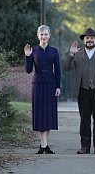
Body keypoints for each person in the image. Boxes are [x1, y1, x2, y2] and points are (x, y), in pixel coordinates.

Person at [24, 25, 61, 154]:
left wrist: (58, 86)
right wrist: (27, 57)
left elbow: (58, 70)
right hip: (38, 85)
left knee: (49, 114)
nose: (43, 37)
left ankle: (44, 145)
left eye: (46, 34)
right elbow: (28, 70)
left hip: (51, 84)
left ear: (49, 35)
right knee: (40, 114)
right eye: (41, 34)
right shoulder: (33, 51)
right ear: (37, 36)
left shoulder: (54, 51)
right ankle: (44, 144)